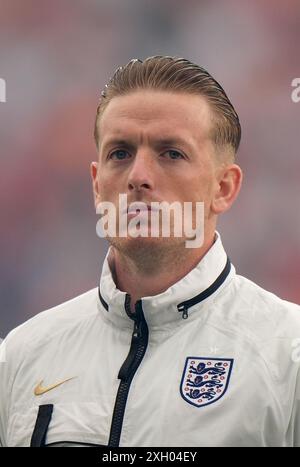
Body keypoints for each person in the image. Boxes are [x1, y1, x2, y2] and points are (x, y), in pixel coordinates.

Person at [0, 56, 300, 448]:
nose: (139, 176)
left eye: (171, 153)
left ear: (223, 188)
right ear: (96, 184)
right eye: (120, 153)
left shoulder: (288, 355)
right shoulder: (22, 356)